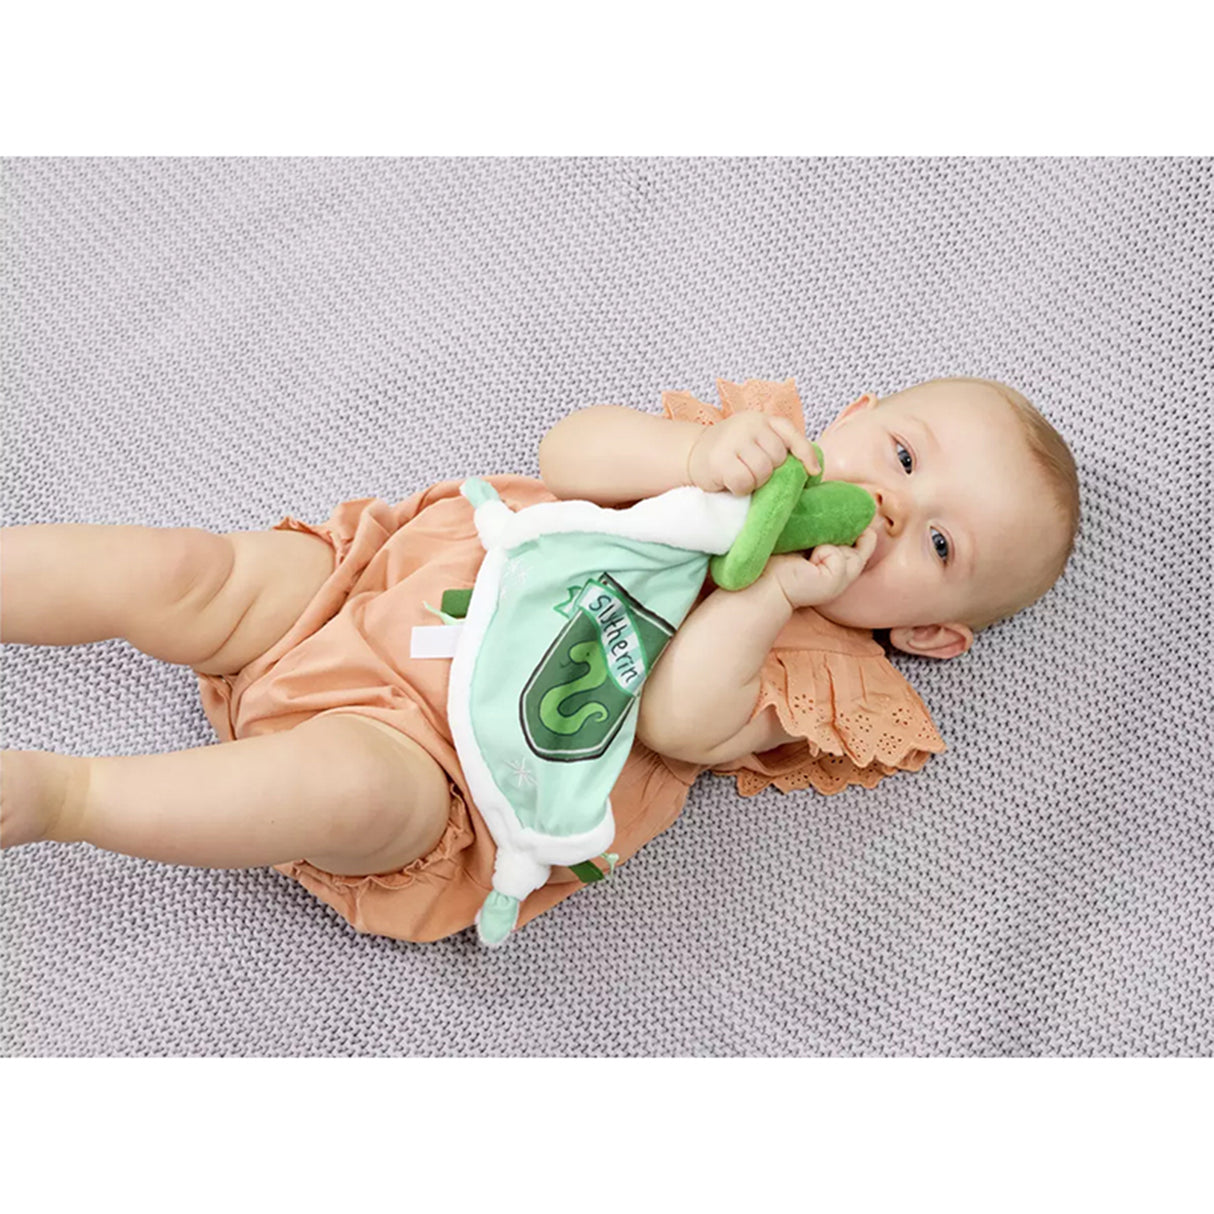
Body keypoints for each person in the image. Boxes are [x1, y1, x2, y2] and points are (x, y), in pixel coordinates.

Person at [0, 376, 1080, 942]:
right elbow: (567, 452)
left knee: (344, 785)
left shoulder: (817, 661)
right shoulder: (741, 449)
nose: (894, 510)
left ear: (932, 632)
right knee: (188, 571)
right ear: (855, 416)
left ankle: (63, 794)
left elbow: (675, 720)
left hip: (449, 761)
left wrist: (772, 592)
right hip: (371, 588)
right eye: (899, 455)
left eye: (938, 546)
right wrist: (691, 457)